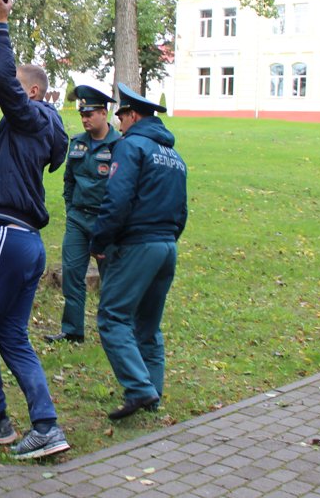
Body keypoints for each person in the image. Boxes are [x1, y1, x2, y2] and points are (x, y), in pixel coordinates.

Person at [0, 0, 71, 460]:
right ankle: (46, 425)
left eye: (18, 92)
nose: (9, 99)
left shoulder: (31, 114)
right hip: (26, 241)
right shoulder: (34, 128)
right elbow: (12, 172)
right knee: (11, 335)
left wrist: (0, 24)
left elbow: (3, 79)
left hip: (7, 239)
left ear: (35, 92)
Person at [89, 83, 188, 420]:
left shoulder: (131, 147)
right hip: (167, 246)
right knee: (148, 325)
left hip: (138, 245)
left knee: (112, 317)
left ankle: (139, 388)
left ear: (132, 115)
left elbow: (116, 199)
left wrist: (100, 241)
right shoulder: (174, 156)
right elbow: (182, 210)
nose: (119, 125)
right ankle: (153, 394)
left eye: (121, 117)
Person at [45, 85, 121, 345]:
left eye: (90, 114)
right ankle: (72, 331)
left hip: (106, 222)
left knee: (111, 280)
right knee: (72, 275)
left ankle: (112, 332)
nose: (85, 119)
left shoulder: (120, 145)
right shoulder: (77, 143)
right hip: (78, 219)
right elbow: (69, 181)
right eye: (82, 115)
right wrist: (71, 208)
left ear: (104, 112)